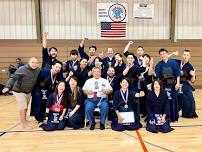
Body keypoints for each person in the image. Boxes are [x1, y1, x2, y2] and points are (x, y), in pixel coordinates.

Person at [2, 57, 40, 130]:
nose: (34, 64)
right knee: (23, 107)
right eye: (32, 62)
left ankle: (24, 120)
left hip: (28, 91)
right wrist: (7, 87)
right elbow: (13, 78)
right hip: (18, 91)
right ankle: (24, 124)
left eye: (36, 63)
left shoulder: (38, 70)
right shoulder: (22, 69)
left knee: (26, 107)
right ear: (29, 62)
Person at [155, 48, 180, 122]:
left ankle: (173, 117)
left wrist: (178, 83)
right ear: (160, 56)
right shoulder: (159, 64)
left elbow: (177, 74)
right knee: (165, 101)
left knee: (173, 100)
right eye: (161, 54)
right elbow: (157, 76)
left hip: (173, 85)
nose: (163, 55)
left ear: (167, 54)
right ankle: (165, 117)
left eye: (164, 54)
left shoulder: (173, 62)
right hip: (164, 86)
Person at [176, 50, 198, 118]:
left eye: (187, 55)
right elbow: (166, 59)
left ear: (189, 57)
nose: (185, 56)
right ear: (182, 55)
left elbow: (193, 81)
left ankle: (188, 113)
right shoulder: (177, 62)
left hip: (184, 85)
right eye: (184, 55)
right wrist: (173, 53)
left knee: (189, 98)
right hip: (175, 84)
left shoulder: (190, 67)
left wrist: (193, 75)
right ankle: (172, 112)